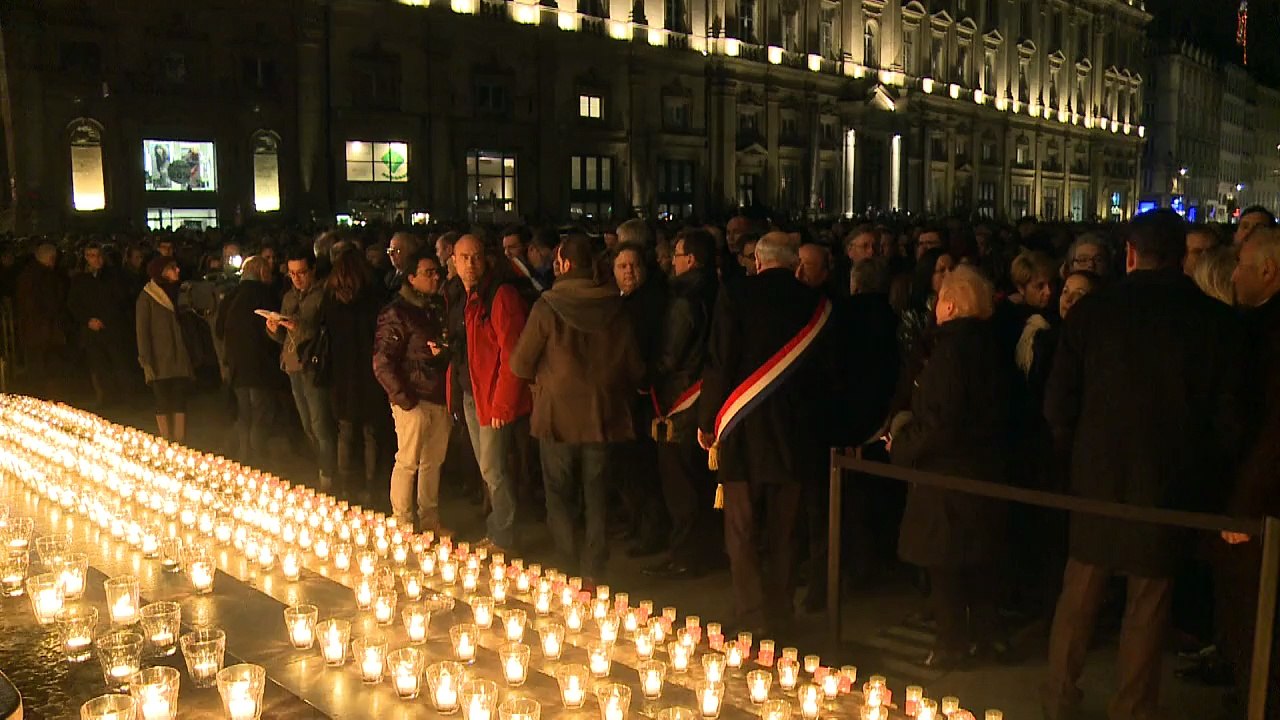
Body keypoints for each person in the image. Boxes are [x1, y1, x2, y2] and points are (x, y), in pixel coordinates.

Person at [1043, 210, 1247, 720]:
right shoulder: (1212, 320)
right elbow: (1227, 417)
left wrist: (1076, 453)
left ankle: (1058, 695)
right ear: (1182, 256)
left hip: (1098, 473)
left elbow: (1059, 401)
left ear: (1130, 254)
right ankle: (1132, 707)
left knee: (1080, 594)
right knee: (1148, 604)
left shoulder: (1093, 312)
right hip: (1168, 477)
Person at [698, 232, 836, 635]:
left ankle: (751, 615)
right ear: (795, 264)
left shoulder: (735, 294)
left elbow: (720, 360)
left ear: (757, 262)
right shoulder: (818, 304)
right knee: (784, 528)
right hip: (796, 433)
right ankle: (780, 608)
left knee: (741, 529)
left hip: (743, 430)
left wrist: (708, 422)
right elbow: (827, 375)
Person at [890, 265, 1012, 668]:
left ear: (952, 305)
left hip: (947, 475)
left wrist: (902, 443)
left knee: (946, 565)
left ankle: (950, 644)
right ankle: (988, 636)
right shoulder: (991, 344)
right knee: (979, 564)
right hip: (983, 470)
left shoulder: (952, 351)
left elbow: (941, 419)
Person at [510, 235, 645, 579]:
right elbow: (635, 367)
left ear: (565, 265)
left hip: (556, 417)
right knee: (597, 493)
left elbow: (520, 364)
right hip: (603, 415)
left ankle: (567, 565)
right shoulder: (617, 308)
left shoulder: (547, 306)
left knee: (558, 493)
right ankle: (593, 568)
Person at [1216, 227, 1280, 713]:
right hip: (1253, 491)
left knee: (1256, 617)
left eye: (1240, 264)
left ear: (1268, 271)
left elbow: (1273, 425)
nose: (1232, 274)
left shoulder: (1270, 331)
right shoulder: (1254, 324)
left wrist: (1244, 500)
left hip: (1262, 503)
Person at [644, 229, 721, 579]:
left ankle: (685, 554)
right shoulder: (718, 291)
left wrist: (646, 375)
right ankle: (703, 549)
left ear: (690, 260)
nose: (670, 263)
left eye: (675, 256)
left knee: (679, 481)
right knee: (698, 479)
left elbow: (670, 355)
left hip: (682, 397)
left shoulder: (683, 300)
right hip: (707, 396)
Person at [451, 234, 532, 552]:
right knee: (488, 467)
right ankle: (500, 528)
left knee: (493, 467)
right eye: (464, 257)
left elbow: (512, 355)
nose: (471, 264)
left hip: (491, 397)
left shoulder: (500, 296)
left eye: (476, 257)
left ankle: (504, 533)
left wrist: (502, 404)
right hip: (473, 392)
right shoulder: (466, 295)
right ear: (453, 261)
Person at [374, 251, 453, 533]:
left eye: (437, 272)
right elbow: (383, 362)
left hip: (437, 396)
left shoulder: (435, 308)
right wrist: (405, 400)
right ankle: (403, 521)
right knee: (408, 460)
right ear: (411, 278)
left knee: (433, 461)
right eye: (428, 272)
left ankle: (429, 518)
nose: (436, 277)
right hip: (414, 398)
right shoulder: (397, 313)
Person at [613, 241, 669, 555]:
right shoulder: (619, 303)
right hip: (623, 398)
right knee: (628, 467)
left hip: (645, 397)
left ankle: (651, 532)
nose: (629, 272)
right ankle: (636, 523)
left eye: (633, 265)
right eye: (622, 266)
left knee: (645, 468)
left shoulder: (651, 304)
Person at [323, 250, 388, 503]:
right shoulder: (372, 297)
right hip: (368, 371)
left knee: (345, 431)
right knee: (370, 432)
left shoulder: (331, 299)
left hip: (341, 371)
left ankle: (346, 484)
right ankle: (371, 486)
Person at [267, 250, 336, 488]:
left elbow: (322, 332)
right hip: (292, 365)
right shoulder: (289, 297)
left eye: (301, 273)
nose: (296, 278)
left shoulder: (322, 295)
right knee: (307, 423)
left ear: (312, 270)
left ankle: (328, 477)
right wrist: (274, 328)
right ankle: (320, 467)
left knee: (319, 423)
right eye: (292, 273)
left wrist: (298, 326)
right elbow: (283, 337)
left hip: (312, 365)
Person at [216, 256, 284, 465]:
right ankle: (258, 459)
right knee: (261, 414)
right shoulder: (267, 295)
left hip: (238, 366)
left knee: (244, 413)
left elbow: (219, 329)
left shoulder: (231, 296)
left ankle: (245, 457)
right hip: (261, 366)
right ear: (261, 272)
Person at [67, 243, 137, 406]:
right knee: (98, 364)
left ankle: (127, 397)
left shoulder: (114, 276)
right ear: (85, 258)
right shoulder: (80, 279)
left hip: (113, 326)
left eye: (98, 255)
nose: (96, 259)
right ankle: (106, 397)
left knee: (119, 362)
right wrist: (87, 320)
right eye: (91, 256)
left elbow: (121, 299)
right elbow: (74, 304)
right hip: (92, 329)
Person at [136, 256, 194, 442]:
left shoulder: (180, 293)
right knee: (162, 400)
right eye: (172, 268)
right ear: (161, 272)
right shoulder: (148, 297)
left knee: (179, 399)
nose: (177, 271)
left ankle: (179, 440)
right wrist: (145, 359)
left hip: (178, 355)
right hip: (160, 357)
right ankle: (166, 439)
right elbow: (142, 330)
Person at [14, 243, 67, 397]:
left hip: (32, 328)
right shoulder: (46, 277)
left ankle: (38, 395)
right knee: (43, 365)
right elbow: (52, 301)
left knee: (35, 364)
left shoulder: (27, 274)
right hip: (44, 328)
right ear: (51, 258)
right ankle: (44, 396)